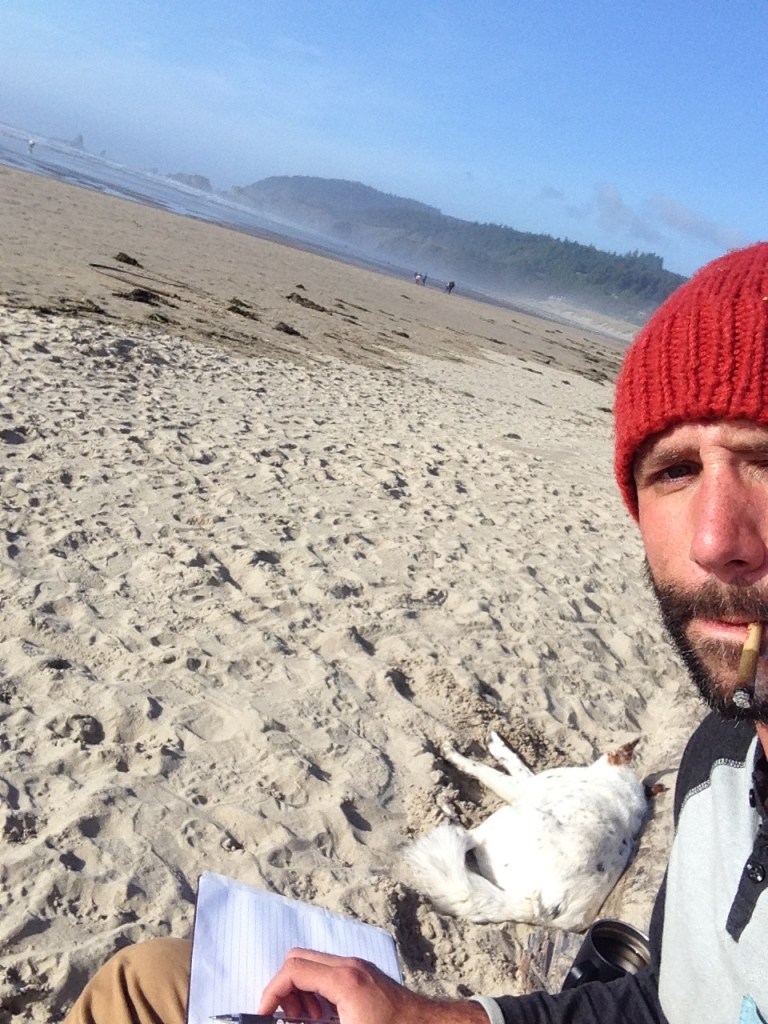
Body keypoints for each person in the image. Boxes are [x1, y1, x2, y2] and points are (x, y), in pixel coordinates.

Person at [64, 242, 768, 1024]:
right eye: (674, 470)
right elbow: (665, 1005)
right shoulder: (718, 764)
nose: (715, 539)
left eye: (766, 459)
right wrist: (430, 1017)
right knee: (154, 978)